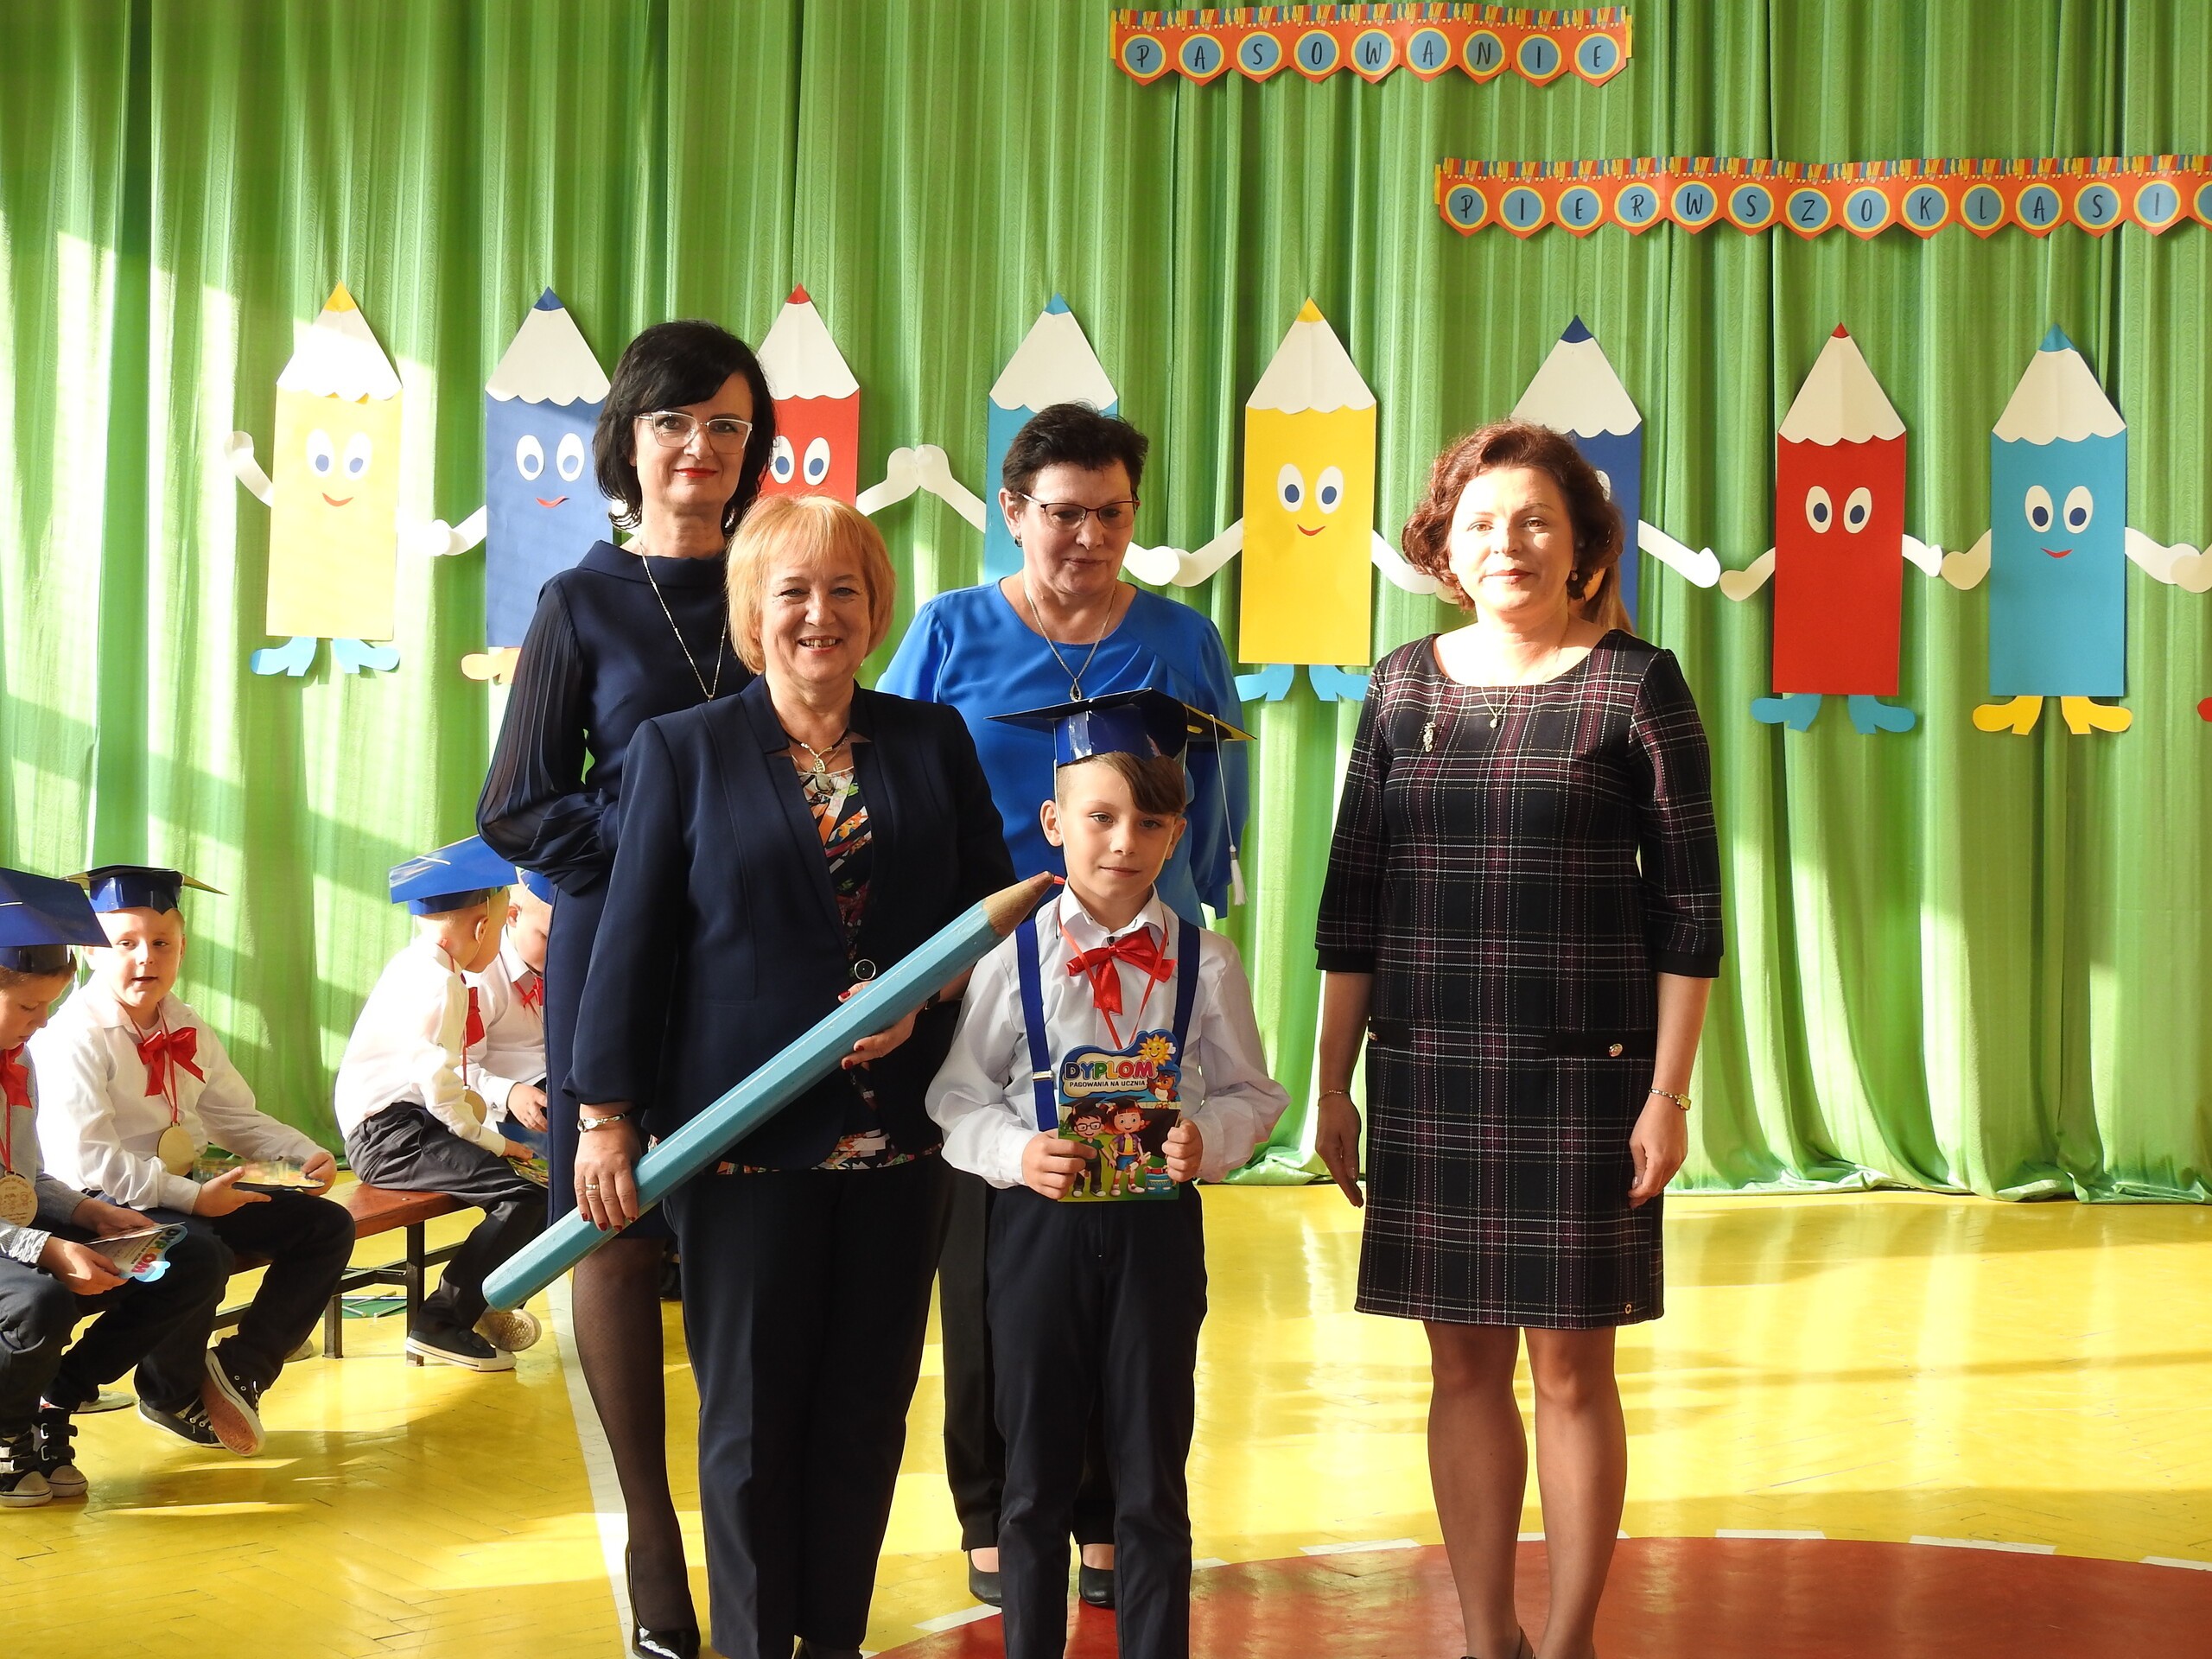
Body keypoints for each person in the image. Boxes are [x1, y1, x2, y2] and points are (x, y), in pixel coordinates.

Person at [568, 495, 1016, 1659]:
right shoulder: (684, 748)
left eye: (844, 590)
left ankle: (836, 1640)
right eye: (794, 592)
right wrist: (606, 1115)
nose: (820, 614)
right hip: (744, 1141)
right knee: (752, 1425)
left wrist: (923, 1000)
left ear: (876, 607)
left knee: (865, 1415)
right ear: (752, 611)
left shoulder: (932, 739)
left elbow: (986, 918)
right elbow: (632, 942)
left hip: (901, 1139)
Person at [1311, 420, 1723, 1659]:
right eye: (1483, 523)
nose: (1510, 544)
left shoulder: (1638, 685)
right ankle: (1487, 1636)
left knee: (1573, 1377)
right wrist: (1332, 1086)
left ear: (1583, 544)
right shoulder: (1401, 685)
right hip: (1430, 1074)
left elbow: (1690, 912)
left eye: (1537, 520)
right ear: (1446, 546)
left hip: (1587, 1083)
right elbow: (1352, 902)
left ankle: (1569, 1638)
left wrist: (1667, 1096)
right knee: (1462, 1375)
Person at [880, 402, 1249, 1603]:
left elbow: (1216, 797)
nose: (1088, 537)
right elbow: (892, 795)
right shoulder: (950, 631)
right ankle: (997, 1507)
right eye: (1064, 514)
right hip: (993, 972)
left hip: (1138, 970)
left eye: (1113, 515)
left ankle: (1107, 1507)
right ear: (1013, 512)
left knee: (1127, 1252)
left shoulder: (1181, 639)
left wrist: (1192, 907)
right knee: (998, 1257)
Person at [478, 318, 772, 1658]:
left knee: (746, 1225)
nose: (699, 447)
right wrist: (660, 842)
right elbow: (517, 805)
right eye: (673, 423)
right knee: (616, 1225)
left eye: (725, 424)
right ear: (629, 441)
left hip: (763, 945)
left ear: (753, 445)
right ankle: (653, 1543)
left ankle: (745, 1530)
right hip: (616, 946)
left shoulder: (781, 574)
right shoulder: (579, 602)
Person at [926, 689, 1288, 1659]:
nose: (1124, 842)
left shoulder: (1208, 963)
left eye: (1151, 822)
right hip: (1036, 1235)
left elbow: (1255, 1094)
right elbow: (956, 1097)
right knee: (1033, 1479)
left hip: (1155, 1237)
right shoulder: (1011, 959)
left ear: (1178, 834)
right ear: (1054, 823)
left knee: (1151, 1473)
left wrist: (1208, 1138)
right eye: (1101, 817)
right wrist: (1016, 1152)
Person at [30, 865, 354, 1457]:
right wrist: (194, 1198)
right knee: (199, 1250)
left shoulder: (184, 1021)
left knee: (325, 1225)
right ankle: (166, 1393)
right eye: (124, 943)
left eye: (162, 942)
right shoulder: (74, 1035)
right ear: (89, 950)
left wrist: (298, 1152)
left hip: (186, 1182)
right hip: (104, 1202)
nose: (146, 958)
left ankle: (239, 1369)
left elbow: (232, 1114)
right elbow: (91, 1159)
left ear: (182, 948)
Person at [0, 868, 230, 1504]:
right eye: (28, 1008)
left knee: (189, 1255)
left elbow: (26, 1179)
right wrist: (49, 1248)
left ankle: (57, 1399)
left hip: (13, 1225)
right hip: (9, 1243)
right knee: (40, 1299)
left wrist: (91, 1214)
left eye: (48, 1006)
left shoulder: (18, 1059)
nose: (41, 1024)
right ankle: (7, 1431)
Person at [334, 836, 545, 1372]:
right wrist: (497, 1143)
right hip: (389, 1137)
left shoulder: (416, 965)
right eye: (499, 928)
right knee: (524, 1195)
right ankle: (442, 1323)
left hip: (404, 1128)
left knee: (527, 1190)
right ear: (481, 926)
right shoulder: (440, 983)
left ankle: (478, 1305)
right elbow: (441, 1090)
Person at [466, 871, 553, 1158]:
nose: (559, 952)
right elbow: (457, 1068)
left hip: (556, 1083)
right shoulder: (481, 977)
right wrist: (508, 1093)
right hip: (509, 1105)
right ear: (512, 916)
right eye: (546, 937)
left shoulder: (559, 966)